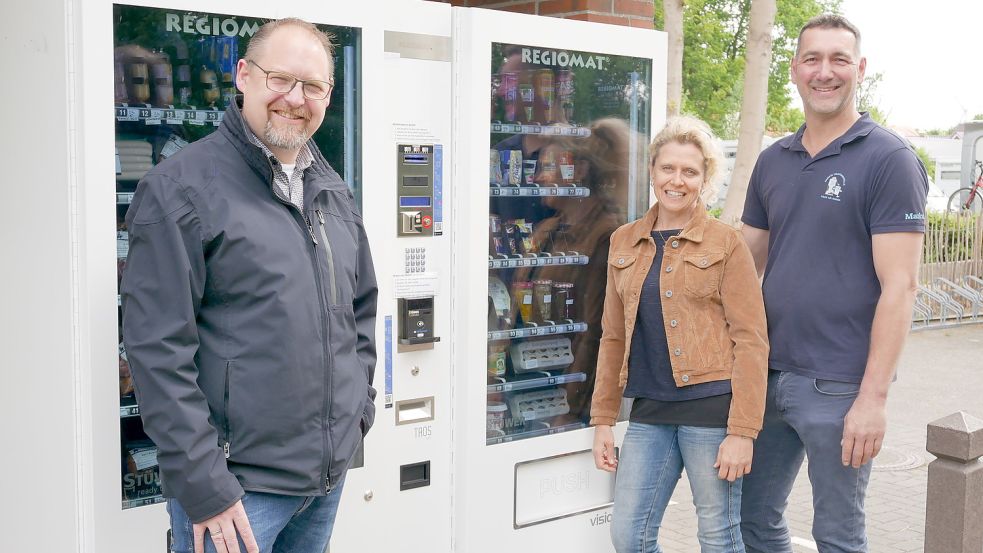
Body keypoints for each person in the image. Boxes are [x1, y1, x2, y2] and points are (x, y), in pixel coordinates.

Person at [121, 18, 377, 553]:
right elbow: (157, 351)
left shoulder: (331, 190)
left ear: (329, 96)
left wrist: (358, 414)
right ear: (243, 76)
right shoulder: (178, 189)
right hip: (235, 492)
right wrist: (204, 485)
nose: (295, 98)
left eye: (313, 86)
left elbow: (360, 313)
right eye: (279, 78)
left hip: (323, 481)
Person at [738, 14, 928, 553]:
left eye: (839, 59)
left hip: (840, 387)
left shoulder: (888, 159)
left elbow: (902, 287)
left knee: (837, 537)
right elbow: (741, 265)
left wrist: (873, 398)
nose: (825, 72)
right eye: (813, 59)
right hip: (767, 374)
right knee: (753, 521)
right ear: (795, 70)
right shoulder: (773, 160)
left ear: (860, 69)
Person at [591, 115, 769, 553]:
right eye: (668, 168)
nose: (677, 180)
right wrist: (602, 421)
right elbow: (612, 337)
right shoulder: (623, 241)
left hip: (711, 412)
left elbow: (751, 340)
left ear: (705, 178)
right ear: (652, 171)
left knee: (717, 535)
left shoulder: (726, 244)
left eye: (690, 171)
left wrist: (742, 431)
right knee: (629, 535)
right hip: (649, 411)